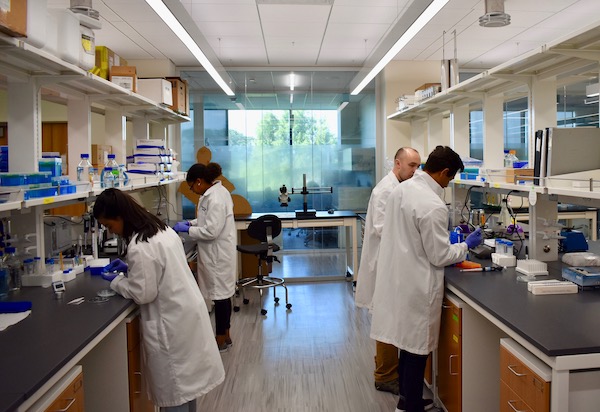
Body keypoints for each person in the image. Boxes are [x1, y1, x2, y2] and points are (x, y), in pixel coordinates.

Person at [370, 146, 482, 412]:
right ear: (443, 172)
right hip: (418, 284)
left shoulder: (402, 190)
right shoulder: (432, 205)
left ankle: (407, 400)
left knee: (408, 347)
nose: (448, 184)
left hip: (401, 279)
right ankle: (410, 408)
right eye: (450, 178)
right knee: (417, 349)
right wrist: (466, 245)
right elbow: (440, 255)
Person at [94, 188, 225, 412]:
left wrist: (116, 281)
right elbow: (160, 268)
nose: (112, 232)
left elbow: (143, 293)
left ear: (120, 217)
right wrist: (130, 269)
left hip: (172, 323)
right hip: (186, 313)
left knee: (177, 393)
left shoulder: (139, 246)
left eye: (109, 225)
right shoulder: (160, 229)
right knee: (187, 392)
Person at [355, 147, 421, 395]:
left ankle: (387, 370)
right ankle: (384, 375)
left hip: (391, 262)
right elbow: (385, 228)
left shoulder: (398, 186)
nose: (416, 171)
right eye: (412, 165)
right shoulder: (386, 190)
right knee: (387, 321)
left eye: (418, 166)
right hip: (385, 263)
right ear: (398, 163)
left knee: (391, 320)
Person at [173, 162, 237, 352]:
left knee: (220, 297)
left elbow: (211, 231)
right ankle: (226, 336)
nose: (192, 191)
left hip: (217, 254)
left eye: (192, 186)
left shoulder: (214, 198)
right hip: (218, 252)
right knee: (223, 296)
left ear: (199, 182)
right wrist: (190, 222)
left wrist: (188, 229)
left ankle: (220, 340)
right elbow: (207, 220)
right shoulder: (216, 193)